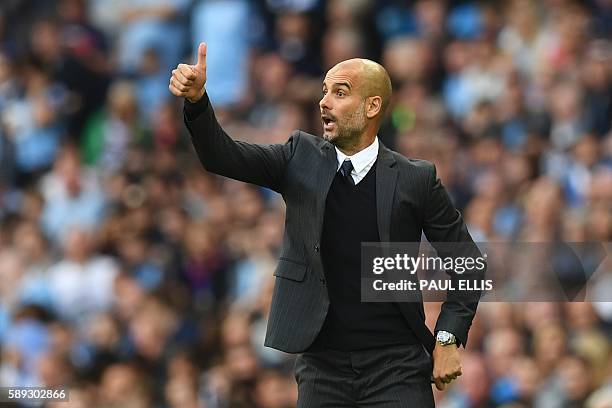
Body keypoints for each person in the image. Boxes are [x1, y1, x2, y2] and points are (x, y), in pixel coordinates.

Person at [169, 43, 484, 407]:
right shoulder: (298, 157)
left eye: (340, 92)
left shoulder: (416, 178)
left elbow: (468, 262)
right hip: (323, 369)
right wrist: (197, 102)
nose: (324, 102)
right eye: (324, 92)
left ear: (372, 106)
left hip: (397, 366)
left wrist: (446, 338)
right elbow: (222, 155)